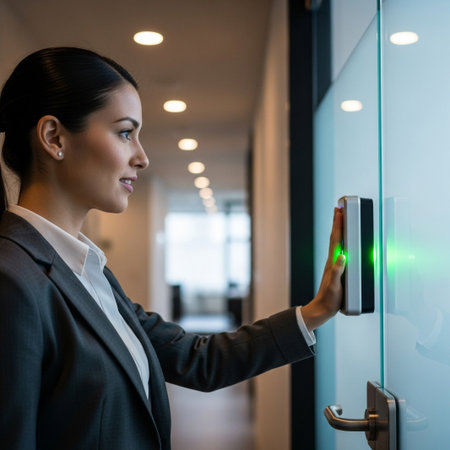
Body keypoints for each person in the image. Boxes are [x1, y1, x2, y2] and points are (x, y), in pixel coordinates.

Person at [0, 47, 346, 450]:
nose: (142, 157)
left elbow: (198, 360)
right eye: (125, 132)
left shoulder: (86, 270)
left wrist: (318, 309)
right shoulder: (12, 279)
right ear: (54, 137)